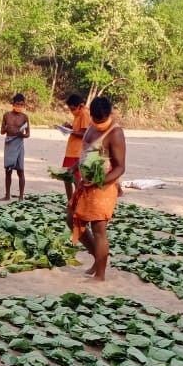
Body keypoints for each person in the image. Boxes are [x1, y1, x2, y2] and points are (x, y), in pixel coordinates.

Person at [68, 96, 125, 282]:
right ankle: (96, 259)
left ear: (110, 114)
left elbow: (120, 167)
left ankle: (100, 273)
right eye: (95, 119)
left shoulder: (115, 134)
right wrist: (75, 166)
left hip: (103, 186)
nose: (98, 123)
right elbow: (88, 152)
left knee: (99, 229)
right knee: (71, 219)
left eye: (102, 120)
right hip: (85, 184)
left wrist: (99, 182)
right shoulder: (91, 127)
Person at [60, 94, 91, 199]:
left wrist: (71, 131)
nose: (72, 111)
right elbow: (78, 129)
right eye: (70, 109)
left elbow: (85, 133)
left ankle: (77, 202)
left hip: (77, 151)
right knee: (66, 177)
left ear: (80, 106)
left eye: (73, 109)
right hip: (71, 150)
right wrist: (70, 127)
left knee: (75, 178)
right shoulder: (77, 115)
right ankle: (71, 201)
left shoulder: (85, 114)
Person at [1, 93, 31, 201]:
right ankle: (7, 195)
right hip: (9, 143)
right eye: (17, 104)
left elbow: (28, 134)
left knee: (20, 170)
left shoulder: (24, 117)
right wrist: (6, 128)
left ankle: (21, 196)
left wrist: (22, 135)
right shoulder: (6, 115)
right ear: (13, 104)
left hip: (19, 143)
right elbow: (1, 131)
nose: (19, 107)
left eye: (21, 105)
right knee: (8, 170)